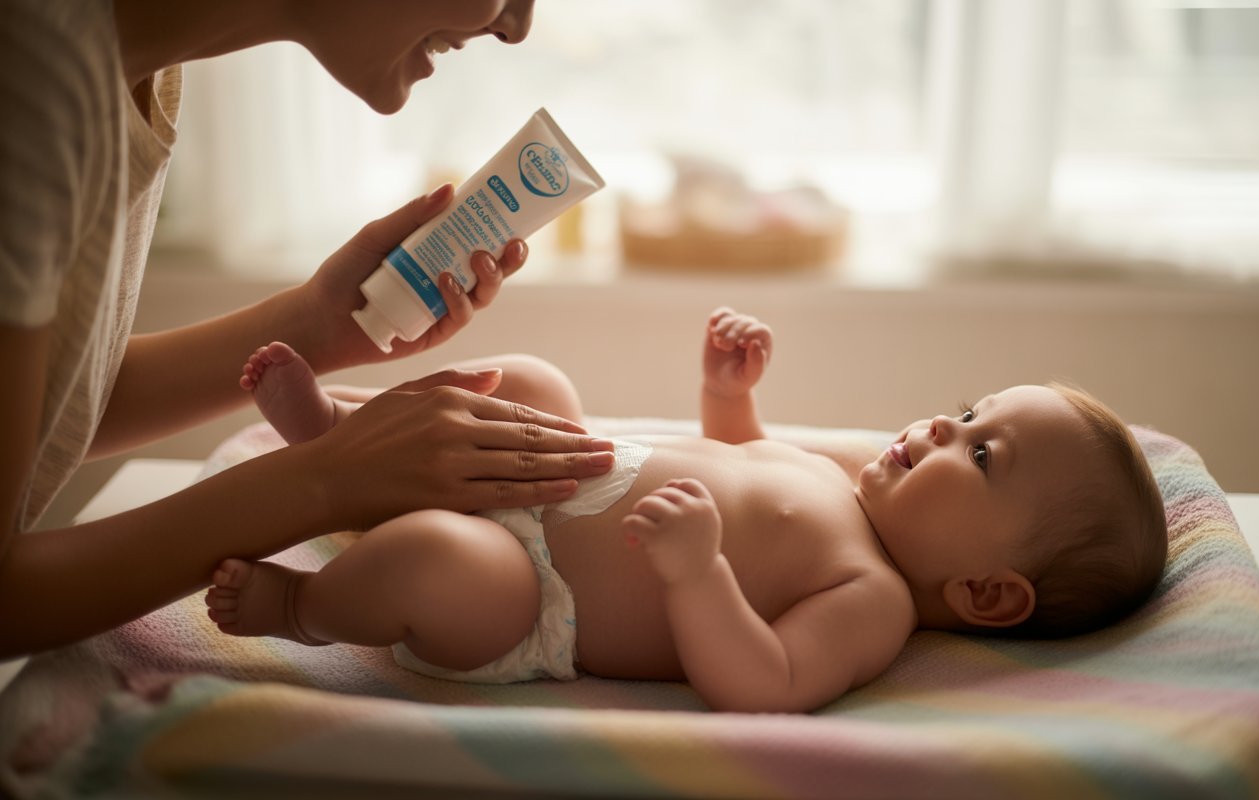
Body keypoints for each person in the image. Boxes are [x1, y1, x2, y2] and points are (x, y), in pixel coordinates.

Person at [0, 0, 619, 659]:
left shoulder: (134, 71)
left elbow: (55, 404)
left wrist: (318, 325)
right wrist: (325, 482)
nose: (516, 25)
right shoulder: (33, 76)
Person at [206, 307, 1169, 713]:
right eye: (968, 411)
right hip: (544, 474)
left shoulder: (870, 597)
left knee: (431, 558)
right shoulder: (847, 483)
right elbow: (743, 457)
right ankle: (341, 433)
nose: (943, 426)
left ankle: (302, 607)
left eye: (982, 454)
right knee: (532, 383)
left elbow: (765, 684)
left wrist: (699, 573)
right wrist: (727, 396)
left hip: (535, 593)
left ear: (988, 593)